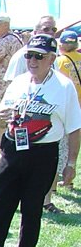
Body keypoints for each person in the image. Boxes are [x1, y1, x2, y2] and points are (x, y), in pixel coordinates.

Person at [0, 34, 81, 247]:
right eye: (29, 55)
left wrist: (71, 163)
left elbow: (74, 128)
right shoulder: (19, 82)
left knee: (32, 207)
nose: (32, 61)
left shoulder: (64, 87)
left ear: (51, 58)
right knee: (0, 204)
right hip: (13, 148)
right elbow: (0, 116)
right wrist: (0, 120)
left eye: (39, 56)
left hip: (43, 152)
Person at [55, 29, 81, 189]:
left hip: (68, 105)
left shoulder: (60, 61)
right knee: (74, 144)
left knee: (62, 144)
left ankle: (58, 180)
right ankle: (70, 177)